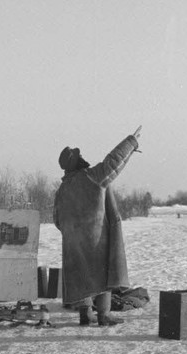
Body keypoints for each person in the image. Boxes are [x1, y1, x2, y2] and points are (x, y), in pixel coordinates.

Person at [53, 127, 142, 326]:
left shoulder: (62, 188)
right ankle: (104, 315)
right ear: (78, 161)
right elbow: (113, 163)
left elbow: (57, 219)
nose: (83, 157)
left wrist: (72, 232)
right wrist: (131, 142)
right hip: (95, 238)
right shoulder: (91, 176)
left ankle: (85, 314)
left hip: (72, 242)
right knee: (103, 275)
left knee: (81, 276)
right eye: (79, 155)